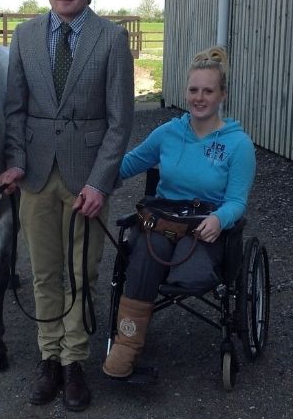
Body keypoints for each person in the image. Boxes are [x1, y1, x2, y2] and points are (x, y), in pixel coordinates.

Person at [0, 0, 134, 412]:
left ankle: (75, 362)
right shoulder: (25, 36)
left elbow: (120, 121)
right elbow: (14, 108)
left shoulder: (112, 39)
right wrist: (13, 159)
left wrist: (100, 182)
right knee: (44, 273)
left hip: (86, 181)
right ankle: (48, 358)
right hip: (35, 175)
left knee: (82, 272)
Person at [101, 46, 256, 379]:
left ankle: (145, 303)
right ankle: (126, 345)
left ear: (222, 95)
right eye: (193, 90)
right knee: (141, 260)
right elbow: (128, 165)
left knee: (191, 276)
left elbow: (236, 202)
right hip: (163, 218)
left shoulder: (239, 145)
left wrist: (220, 219)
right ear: (186, 91)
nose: (199, 98)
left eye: (208, 91)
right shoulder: (168, 133)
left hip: (203, 224)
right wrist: (95, 182)